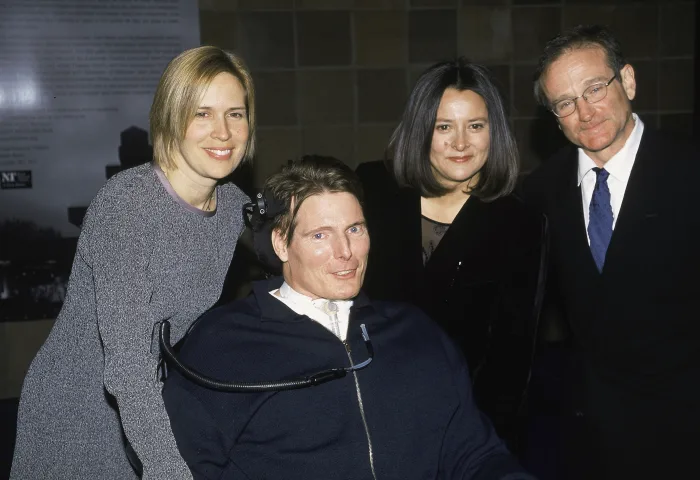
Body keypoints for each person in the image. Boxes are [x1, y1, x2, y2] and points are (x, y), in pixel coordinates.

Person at [162, 156, 537, 480]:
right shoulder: (221, 346)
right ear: (281, 243)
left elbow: (473, 453)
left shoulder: (416, 333)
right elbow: (179, 468)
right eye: (321, 235)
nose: (346, 252)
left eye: (354, 230)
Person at [11, 46, 255, 479]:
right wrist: (167, 468)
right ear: (170, 118)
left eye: (235, 114)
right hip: (77, 411)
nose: (223, 131)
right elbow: (126, 363)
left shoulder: (233, 206)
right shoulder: (127, 205)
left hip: (153, 404)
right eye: (202, 113)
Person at [521, 24, 700, 479]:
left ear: (629, 81)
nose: (584, 111)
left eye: (595, 88)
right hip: (590, 438)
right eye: (565, 102)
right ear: (554, 117)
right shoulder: (540, 193)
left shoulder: (689, 169)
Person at [356, 58, 547, 448]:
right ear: (421, 129)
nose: (460, 143)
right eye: (444, 126)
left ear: (495, 132)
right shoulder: (371, 191)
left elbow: (512, 362)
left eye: (475, 126)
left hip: (461, 431)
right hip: (363, 418)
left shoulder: (520, 224)